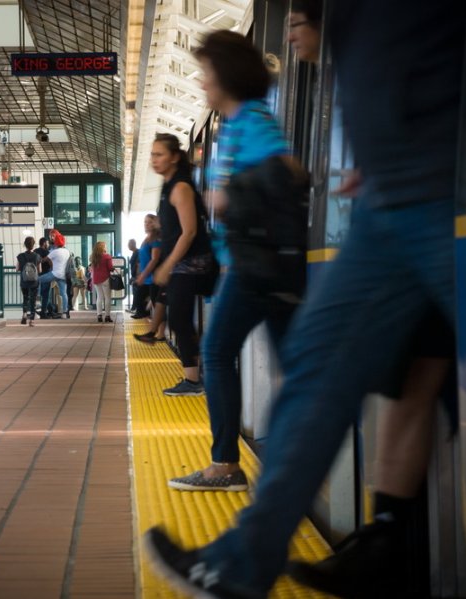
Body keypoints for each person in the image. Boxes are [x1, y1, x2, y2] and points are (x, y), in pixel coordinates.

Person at [145, 0, 466, 595]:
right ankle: (372, 542)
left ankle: (256, 548)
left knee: (339, 371)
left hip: (422, 192)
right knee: (392, 375)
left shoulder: (256, 120)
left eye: (297, 21)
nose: (290, 31)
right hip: (397, 194)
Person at [283, 4, 457, 596]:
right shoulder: (357, 57)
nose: (292, 33)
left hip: (430, 222)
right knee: (410, 385)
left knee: (412, 385)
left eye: (299, 20)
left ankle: (383, 540)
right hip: (412, 221)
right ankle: (384, 536)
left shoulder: (382, 34)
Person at [165, 31, 305, 493]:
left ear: (226, 74)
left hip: (254, 268)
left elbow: (288, 172)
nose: (202, 82)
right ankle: (297, 460)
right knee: (296, 368)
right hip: (250, 267)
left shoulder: (252, 119)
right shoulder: (233, 126)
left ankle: (225, 465)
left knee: (216, 352)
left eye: (206, 73)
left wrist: (229, 194)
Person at [149, 133, 215, 397]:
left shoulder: (181, 188)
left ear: (174, 157)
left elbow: (189, 232)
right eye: (152, 155)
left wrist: (167, 265)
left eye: (159, 154)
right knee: (178, 317)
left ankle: (194, 379)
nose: (154, 160)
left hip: (192, 264)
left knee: (177, 318)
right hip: (182, 263)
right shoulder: (168, 187)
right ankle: (195, 373)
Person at [38, 230, 71, 319]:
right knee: (63, 293)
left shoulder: (54, 252)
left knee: (38, 280)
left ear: (56, 242)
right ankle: (65, 312)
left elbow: (43, 260)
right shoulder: (67, 252)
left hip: (54, 273)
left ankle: (37, 301)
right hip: (63, 275)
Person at [131, 217, 159, 320]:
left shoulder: (155, 239)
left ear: (155, 224)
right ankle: (155, 330)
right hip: (146, 277)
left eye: (149, 222)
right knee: (140, 303)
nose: (146, 224)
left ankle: (159, 333)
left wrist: (143, 275)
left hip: (152, 277)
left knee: (157, 304)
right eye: (145, 222)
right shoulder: (146, 239)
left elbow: (154, 259)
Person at [16, 236, 41, 326]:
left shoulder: (20, 256)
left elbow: (17, 268)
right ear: (33, 245)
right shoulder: (37, 256)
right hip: (34, 282)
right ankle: (32, 320)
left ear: (25, 245)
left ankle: (24, 314)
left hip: (24, 281)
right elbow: (40, 270)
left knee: (25, 298)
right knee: (33, 300)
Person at [90, 241, 114, 323]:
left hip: (96, 279)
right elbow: (110, 268)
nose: (106, 247)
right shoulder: (107, 256)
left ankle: (99, 315)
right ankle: (107, 316)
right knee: (107, 297)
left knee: (99, 297)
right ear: (103, 247)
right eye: (105, 246)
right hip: (105, 279)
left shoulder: (93, 257)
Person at [35, 237, 52, 318]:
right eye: (47, 243)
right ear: (44, 243)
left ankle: (49, 309)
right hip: (46, 275)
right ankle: (44, 312)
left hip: (36, 276)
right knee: (45, 294)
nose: (48, 244)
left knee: (39, 294)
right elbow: (50, 262)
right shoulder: (47, 252)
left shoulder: (35, 251)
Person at [127, 238, 140, 311]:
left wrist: (136, 276)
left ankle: (135, 308)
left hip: (137, 276)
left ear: (132, 244)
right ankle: (134, 308)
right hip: (134, 276)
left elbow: (138, 265)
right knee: (135, 292)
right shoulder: (134, 252)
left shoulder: (137, 252)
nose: (128, 246)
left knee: (136, 292)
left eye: (129, 244)